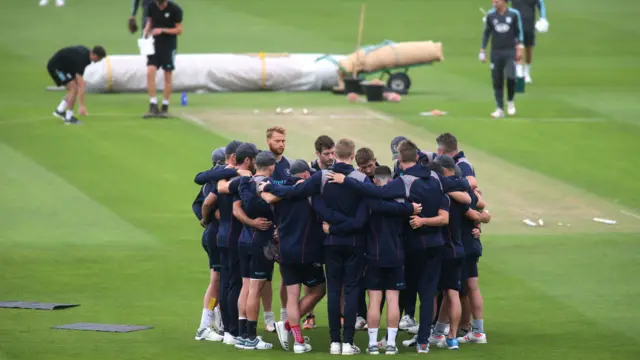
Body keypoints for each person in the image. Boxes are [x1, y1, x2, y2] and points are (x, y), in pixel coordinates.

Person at [327, 139, 449, 354]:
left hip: (379, 253)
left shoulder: (401, 184)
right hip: (413, 249)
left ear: (400, 159)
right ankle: (415, 342)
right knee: (417, 294)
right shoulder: (431, 183)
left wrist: (347, 181)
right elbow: (448, 194)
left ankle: (374, 344)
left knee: (376, 299)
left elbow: (376, 197)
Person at [261, 139, 370, 355]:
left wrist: (266, 187)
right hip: (354, 243)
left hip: (329, 244)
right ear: (353, 154)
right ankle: (348, 342)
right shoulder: (361, 179)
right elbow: (362, 218)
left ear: (335, 154)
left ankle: (333, 343)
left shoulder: (321, 177)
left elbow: (295, 191)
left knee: (332, 291)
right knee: (349, 292)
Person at [260, 160, 328, 353]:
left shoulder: (279, 195)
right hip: (308, 253)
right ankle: (289, 326)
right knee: (318, 290)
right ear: (306, 175)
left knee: (292, 296)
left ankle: (298, 341)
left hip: (285, 252)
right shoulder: (309, 195)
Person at [362, 166, 421, 355]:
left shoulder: (370, 201)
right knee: (393, 300)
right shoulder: (402, 202)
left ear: (375, 181)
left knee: (374, 300)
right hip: (396, 255)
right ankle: (391, 344)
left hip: (373, 255)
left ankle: (372, 344)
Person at [236, 151, 278, 350]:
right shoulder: (270, 188)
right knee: (255, 289)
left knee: (246, 287)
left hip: (243, 239)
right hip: (261, 242)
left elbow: (239, 206)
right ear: (271, 167)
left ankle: (242, 334)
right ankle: (251, 338)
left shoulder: (245, 183)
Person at [193, 147, 227, 342]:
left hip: (215, 234)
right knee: (217, 280)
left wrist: (205, 218)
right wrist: (208, 217)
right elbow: (202, 205)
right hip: (215, 236)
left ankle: (220, 322)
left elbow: (197, 204)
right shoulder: (215, 182)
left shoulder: (209, 181)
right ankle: (204, 326)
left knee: (222, 280)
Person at [479, 0, 524, 118]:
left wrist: (519, 48)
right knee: (497, 80)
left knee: (511, 77)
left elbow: (519, 33)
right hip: (496, 52)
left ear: (504, 2)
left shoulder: (514, 14)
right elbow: (486, 33)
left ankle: (510, 101)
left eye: (496, 1)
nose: (494, 3)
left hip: (510, 51)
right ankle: (499, 108)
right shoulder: (490, 15)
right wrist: (482, 49)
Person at [142, 0, 183, 118]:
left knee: (168, 74)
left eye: (162, 4)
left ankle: (165, 105)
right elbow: (149, 21)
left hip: (168, 46)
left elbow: (179, 30)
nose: (160, 6)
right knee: (150, 72)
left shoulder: (175, 9)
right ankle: (153, 104)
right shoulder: (151, 6)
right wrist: (146, 32)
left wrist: (163, 30)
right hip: (153, 45)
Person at [47, 45, 106, 124]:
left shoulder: (86, 54)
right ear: (93, 54)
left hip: (65, 67)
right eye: (98, 58)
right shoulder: (83, 60)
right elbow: (81, 84)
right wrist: (81, 106)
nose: (98, 61)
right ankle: (68, 118)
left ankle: (59, 111)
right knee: (73, 88)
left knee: (74, 86)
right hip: (56, 68)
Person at [509, 0, 548, 83]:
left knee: (528, 49)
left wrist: (543, 18)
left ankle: (526, 73)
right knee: (518, 48)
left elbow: (541, 5)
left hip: (529, 25)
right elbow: (501, 2)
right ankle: (519, 73)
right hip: (515, 25)